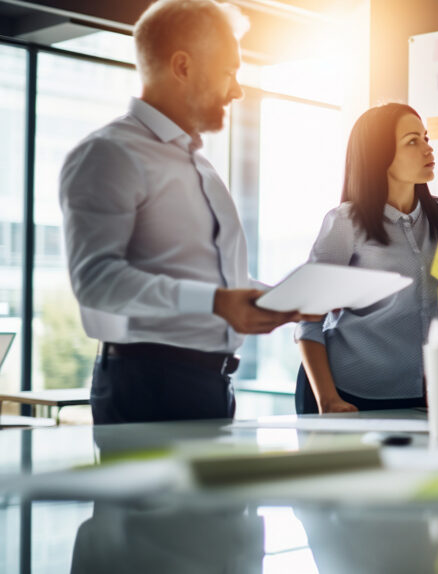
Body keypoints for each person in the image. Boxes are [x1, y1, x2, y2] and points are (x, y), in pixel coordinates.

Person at [60, 0, 310, 425]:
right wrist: (216, 302)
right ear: (182, 67)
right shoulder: (108, 154)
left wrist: (278, 299)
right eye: (230, 71)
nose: (237, 90)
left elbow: (206, 281)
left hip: (211, 384)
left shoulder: (202, 168)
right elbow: (96, 281)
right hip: (147, 385)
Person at [295, 103, 438, 414]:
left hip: (422, 397)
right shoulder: (345, 222)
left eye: (426, 137)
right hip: (346, 394)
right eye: (412, 141)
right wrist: (328, 400)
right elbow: (308, 320)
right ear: (379, 156)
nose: (427, 148)